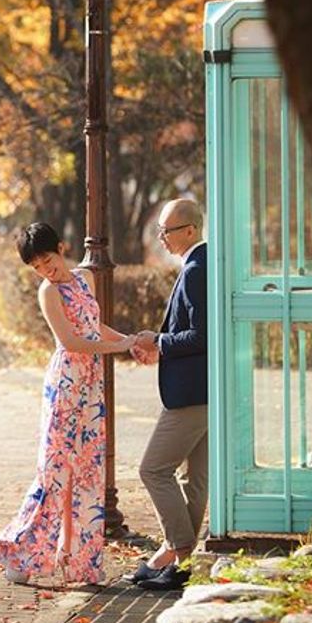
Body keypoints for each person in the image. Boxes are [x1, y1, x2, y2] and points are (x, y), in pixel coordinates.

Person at [0, 222, 136, 586]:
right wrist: (122, 346)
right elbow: (72, 341)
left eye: (48, 259)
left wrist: (132, 341)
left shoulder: (84, 279)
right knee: (55, 471)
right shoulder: (48, 293)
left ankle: (79, 562)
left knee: (87, 470)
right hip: (66, 383)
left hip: (90, 385)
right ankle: (20, 552)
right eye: (37, 266)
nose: (46, 269)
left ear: (61, 247)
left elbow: (95, 328)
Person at [127, 198, 208, 591]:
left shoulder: (196, 269)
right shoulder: (199, 264)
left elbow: (201, 335)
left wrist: (158, 341)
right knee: (194, 479)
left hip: (192, 394)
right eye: (160, 231)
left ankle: (177, 548)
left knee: (153, 470)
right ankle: (179, 562)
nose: (161, 238)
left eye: (167, 231)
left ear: (190, 230)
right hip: (203, 390)